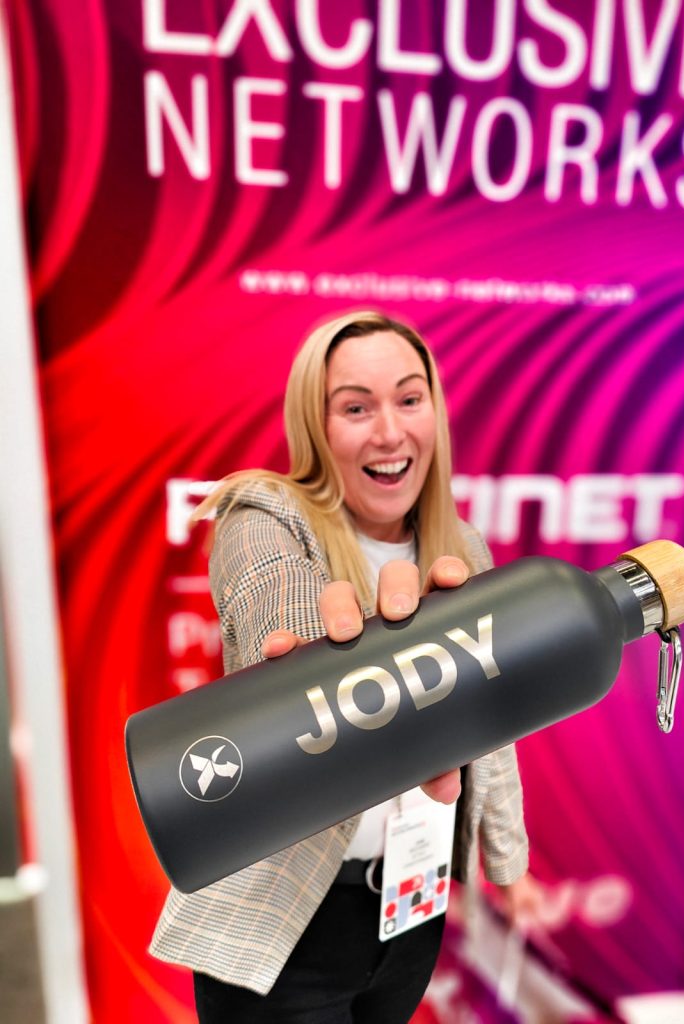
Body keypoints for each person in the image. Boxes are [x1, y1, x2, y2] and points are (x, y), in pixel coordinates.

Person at [151, 311, 530, 1023]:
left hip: (410, 901)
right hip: (286, 913)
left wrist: (506, 858)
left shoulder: (462, 547)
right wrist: (327, 675)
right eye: (356, 408)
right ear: (316, 427)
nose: (389, 432)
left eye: (409, 399)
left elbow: (495, 718)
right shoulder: (262, 513)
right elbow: (284, 625)